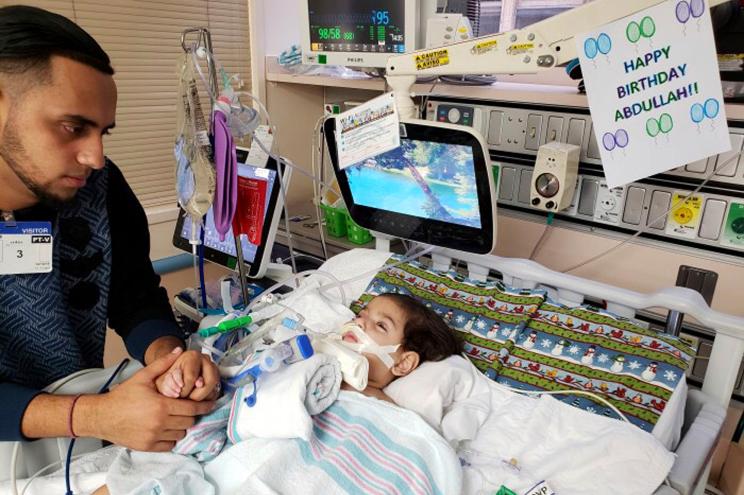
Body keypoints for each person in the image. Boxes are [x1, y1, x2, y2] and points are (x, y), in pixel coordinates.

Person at [0, 5, 218, 452]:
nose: (94, 157)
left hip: (72, 430)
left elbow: (134, 296)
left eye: (103, 132)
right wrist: (93, 415)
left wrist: (171, 359)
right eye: (73, 127)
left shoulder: (98, 187)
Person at [341, 292, 462, 401]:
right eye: (359, 315)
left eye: (381, 325)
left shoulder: (384, 408)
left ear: (402, 363)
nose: (358, 322)